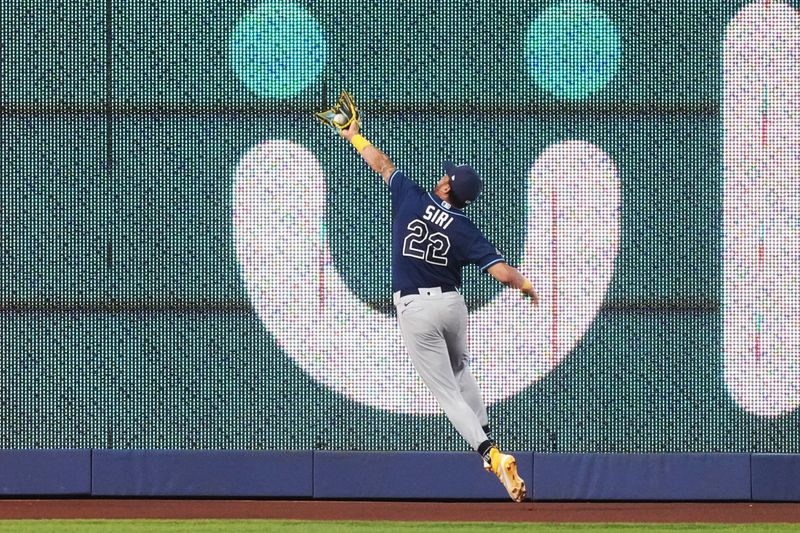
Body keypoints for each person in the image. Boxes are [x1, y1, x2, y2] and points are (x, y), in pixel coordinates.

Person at [340, 119, 539, 503]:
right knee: (460, 370)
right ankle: (486, 438)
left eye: (445, 176)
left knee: (447, 393)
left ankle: (492, 455)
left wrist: (354, 135)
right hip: (451, 305)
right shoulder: (465, 228)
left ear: (447, 186)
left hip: (416, 307)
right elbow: (502, 273)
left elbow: (379, 163)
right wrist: (526, 286)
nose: (441, 177)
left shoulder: (413, 196)